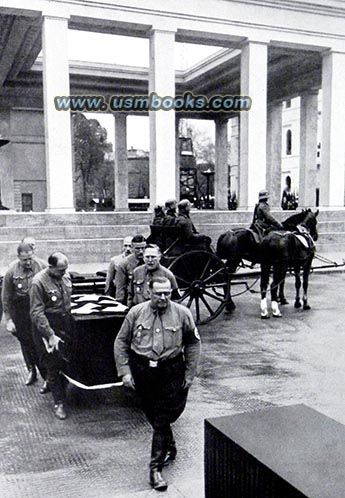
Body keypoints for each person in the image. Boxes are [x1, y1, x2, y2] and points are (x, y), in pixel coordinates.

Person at [114, 276, 201, 491]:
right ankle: (168, 443)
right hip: (142, 371)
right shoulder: (136, 312)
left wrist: (189, 374)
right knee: (152, 414)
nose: (163, 298)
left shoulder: (183, 314)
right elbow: (121, 341)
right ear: (148, 293)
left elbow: (193, 343)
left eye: (167, 293)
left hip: (171, 371)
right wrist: (125, 372)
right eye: (158, 293)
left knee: (162, 417)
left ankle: (155, 469)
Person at [30, 252, 72, 420]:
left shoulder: (66, 276)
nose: (64, 273)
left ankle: (59, 388)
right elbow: (36, 313)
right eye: (61, 270)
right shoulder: (38, 282)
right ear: (51, 267)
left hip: (65, 323)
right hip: (47, 325)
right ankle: (59, 402)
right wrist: (50, 335)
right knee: (52, 364)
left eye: (65, 269)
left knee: (66, 360)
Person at [2, 242, 47, 389]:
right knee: (26, 343)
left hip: (37, 308)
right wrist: (9, 319)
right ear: (18, 258)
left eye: (30, 258)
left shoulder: (42, 266)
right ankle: (31, 370)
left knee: (40, 343)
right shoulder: (11, 271)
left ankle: (46, 375)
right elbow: (6, 297)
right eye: (24, 260)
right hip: (20, 311)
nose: (28, 262)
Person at [115, 234, 146, 304]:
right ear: (132, 248)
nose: (141, 251)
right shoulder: (124, 264)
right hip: (132, 301)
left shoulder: (150, 262)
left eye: (143, 248)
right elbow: (120, 287)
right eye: (137, 248)